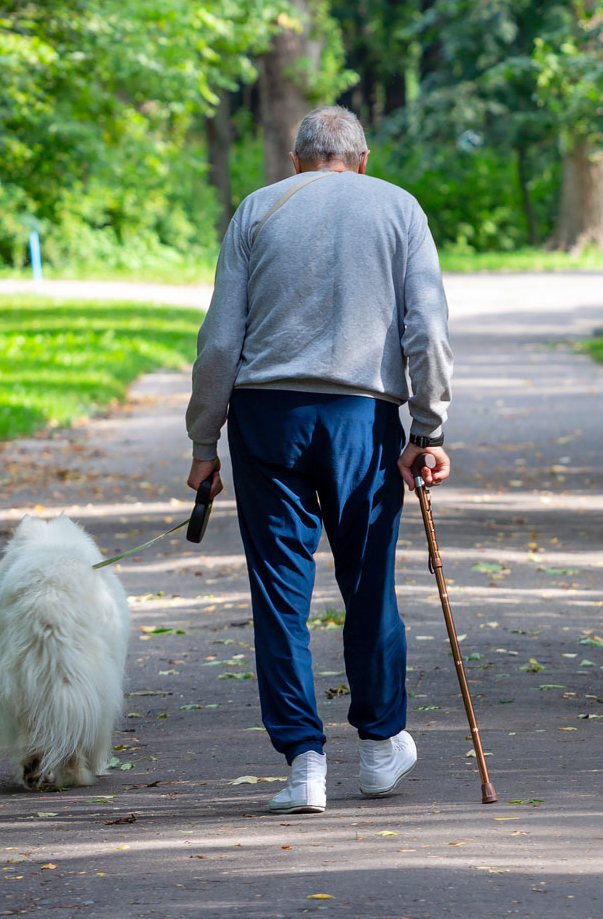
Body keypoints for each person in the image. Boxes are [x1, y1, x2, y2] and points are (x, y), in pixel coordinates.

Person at [184, 105, 453, 814]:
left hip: (266, 419)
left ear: (298, 160)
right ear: (361, 160)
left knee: (280, 597)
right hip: (361, 419)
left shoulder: (257, 210)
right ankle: (379, 746)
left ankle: (304, 765)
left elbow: (219, 342)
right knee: (368, 585)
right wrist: (427, 431)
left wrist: (203, 443)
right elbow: (427, 328)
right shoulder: (399, 209)